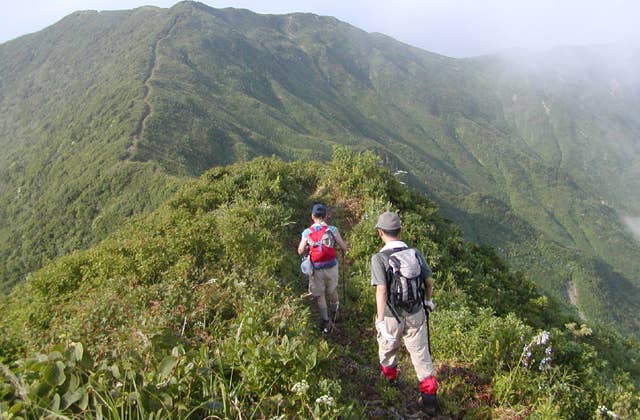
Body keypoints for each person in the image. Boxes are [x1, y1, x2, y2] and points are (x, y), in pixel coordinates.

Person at [370, 211, 438, 414]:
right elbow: (428, 281)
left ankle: (390, 384)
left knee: (388, 350)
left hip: (392, 316)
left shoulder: (379, 258)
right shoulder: (415, 253)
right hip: (416, 313)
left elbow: (381, 290)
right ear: (400, 230)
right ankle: (430, 401)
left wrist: (380, 320)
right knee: (421, 355)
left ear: (380, 232)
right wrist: (427, 300)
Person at [298, 203, 348, 333]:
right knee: (332, 290)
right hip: (331, 266)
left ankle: (326, 321)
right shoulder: (332, 230)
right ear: (326, 216)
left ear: (312, 216)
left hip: (316, 268)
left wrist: (308, 247)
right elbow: (344, 247)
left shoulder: (307, 232)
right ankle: (336, 315)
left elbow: (300, 250)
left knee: (320, 295)